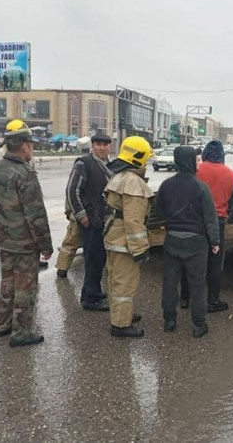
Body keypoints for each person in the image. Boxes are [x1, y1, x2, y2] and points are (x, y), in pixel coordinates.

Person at [0, 120, 53, 347]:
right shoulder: (25, 174)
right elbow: (36, 215)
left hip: (4, 238)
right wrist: (46, 245)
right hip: (24, 242)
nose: (31, 149)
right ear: (24, 146)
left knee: (7, 282)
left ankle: (3, 325)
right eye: (30, 145)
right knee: (25, 287)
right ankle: (21, 332)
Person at [155, 146, 220, 338]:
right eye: (197, 160)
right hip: (196, 242)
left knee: (170, 282)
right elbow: (210, 217)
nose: (198, 163)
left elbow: (159, 211)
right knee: (197, 284)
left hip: (172, 239)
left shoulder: (166, 185)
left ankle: (169, 321)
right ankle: (199, 325)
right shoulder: (201, 187)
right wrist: (215, 241)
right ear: (191, 161)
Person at [180, 140, 233, 312]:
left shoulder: (196, 171)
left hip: (193, 223)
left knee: (189, 260)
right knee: (214, 264)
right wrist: (230, 220)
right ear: (222, 155)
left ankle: (185, 298)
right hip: (217, 224)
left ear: (206, 153)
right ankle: (212, 301)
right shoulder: (232, 175)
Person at [103, 136, 154, 337]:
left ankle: (120, 315)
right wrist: (140, 249)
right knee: (125, 282)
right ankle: (121, 325)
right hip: (124, 243)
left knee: (115, 279)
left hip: (112, 237)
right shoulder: (134, 184)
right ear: (139, 158)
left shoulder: (120, 175)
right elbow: (134, 222)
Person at [64, 132, 114, 309]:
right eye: (98, 144)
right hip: (90, 220)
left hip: (103, 220)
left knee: (99, 258)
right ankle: (89, 299)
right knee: (92, 259)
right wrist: (81, 216)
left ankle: (94, 291)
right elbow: (72, 191)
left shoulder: (110, 165)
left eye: (105, 144)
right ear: (92, 146)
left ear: (110, 146)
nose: (102, 147)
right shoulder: (84, 164)